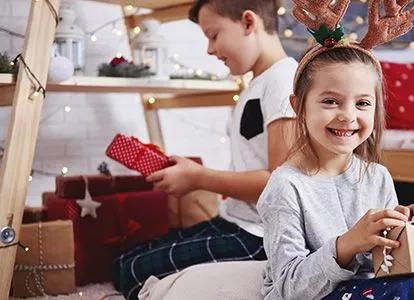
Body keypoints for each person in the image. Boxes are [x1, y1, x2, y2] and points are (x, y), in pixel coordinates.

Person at [256, 0, 414, 299]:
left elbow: (385, 263)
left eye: (362, 103)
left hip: (373, 285)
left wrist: (404, 229)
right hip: (319, 293)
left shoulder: (377, 176)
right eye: (330, 101)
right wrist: (348, 244)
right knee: (413, 290)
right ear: (299, 106)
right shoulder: (285, 186)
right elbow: (288, 287)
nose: (348, 116)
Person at [111, 0, 298, 298]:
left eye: (214, 35)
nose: (210, 49)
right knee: (124, 263)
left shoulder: (283, 81)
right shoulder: (258, 83)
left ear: (249, 23)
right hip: (234, 220)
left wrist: (199, 178)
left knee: (131, 274)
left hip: (260, 237)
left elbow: (280, 184)